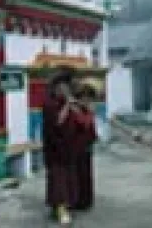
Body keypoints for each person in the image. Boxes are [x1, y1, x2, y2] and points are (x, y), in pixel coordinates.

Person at [42, 66, 80, 225]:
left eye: (67, 87)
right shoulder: (50, 103)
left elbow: (78, 116)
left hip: (68, 148)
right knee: (58, 181)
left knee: (69, 179)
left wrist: (73, 105)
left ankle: (65, 206)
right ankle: (60, 209)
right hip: (55, 150)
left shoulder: (67, 101)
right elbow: (58, 121)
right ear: (57, 87)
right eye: (63, 87)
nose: (65, 90)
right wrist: (67, 105)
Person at [71, 83, 99, 211]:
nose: (88, 100)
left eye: (90, 98)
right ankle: (78, 200)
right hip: (76, 146)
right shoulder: (76, 109)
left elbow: (91, 128)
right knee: (79, 174)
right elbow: (84, 123)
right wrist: (91, 113)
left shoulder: (87, 110)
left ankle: (87, 200)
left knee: (87, 174)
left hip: (86, 145)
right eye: (85, 97)